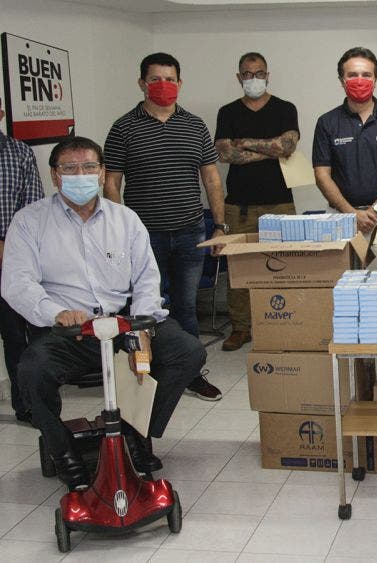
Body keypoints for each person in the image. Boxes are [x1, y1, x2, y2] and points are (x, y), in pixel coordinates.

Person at [1, 137, 206, 490]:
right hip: (70, 331)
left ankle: (133, 433)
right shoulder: (29, 221)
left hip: (124, 322)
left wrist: (143, 324)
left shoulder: (125, 219)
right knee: (31, 372)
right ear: (55, 175)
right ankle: (63, 451)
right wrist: (56, 312)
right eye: (70, 168)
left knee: (188, 352)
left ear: (101, 172)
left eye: (89, 167)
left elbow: (147, 277)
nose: (80, 174)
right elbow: (16, 283)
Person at [104, 52, 222, 401]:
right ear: (142, 83)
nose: (163, 85)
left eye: (170, 79)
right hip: (144, 238)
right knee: (146, 310)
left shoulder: (195, 125)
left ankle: (191, 372)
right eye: (155, 79)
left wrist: (220, 226)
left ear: (180, 83)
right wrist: (121, 231)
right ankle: (148, 375)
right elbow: (112, 183)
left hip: (190, 232)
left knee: (186, 307)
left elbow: (212, 179)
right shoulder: (123, 127)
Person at [215, 52, 299, 351]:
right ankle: (241, 328)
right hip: (239, 206)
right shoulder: (228, 112)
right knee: (238, 271)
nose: (254, 79)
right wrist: (269, 149)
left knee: (286, 268)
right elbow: (225, 153)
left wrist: (247, 142)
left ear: (268, 75)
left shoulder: (285, 108)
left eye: (259, 73)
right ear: (239, 77)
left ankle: (287, 325)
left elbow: (286, 146)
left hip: (280, 203)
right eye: (248, 74)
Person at [312, 47, 377, 234]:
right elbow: (321, 175)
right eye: (352, 75)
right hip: (340, 217)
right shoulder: (326, 122)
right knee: (340, 256)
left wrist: (374, 211)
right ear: (342, 81)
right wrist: (352, 214)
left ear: (375, 80)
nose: (360, 80)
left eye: (366, 75)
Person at [0, 96, 45, 423]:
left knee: (17, 336)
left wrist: (10, 247)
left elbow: (32, 211)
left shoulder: (19, 153)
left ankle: (27, 404)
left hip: (12, 262)